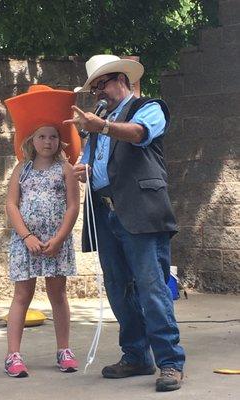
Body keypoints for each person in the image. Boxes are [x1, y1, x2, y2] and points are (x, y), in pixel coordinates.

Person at [64, 55, 186, 392]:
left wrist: (100, 126)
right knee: (119, 288)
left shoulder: (149, 107)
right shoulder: (99, 119)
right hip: (105, 212)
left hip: (141, 210)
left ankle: (170, 362)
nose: (98, 94)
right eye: (94, 89)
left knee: (152, 288)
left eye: (101, 85)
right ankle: (135, 355)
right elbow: (93, 163)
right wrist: (82, 167)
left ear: (121, 79)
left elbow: (139, 134)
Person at [4, 85, 81, 377]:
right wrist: (26, 236)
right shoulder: (21, 169)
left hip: (55, 242)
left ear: (60, 141)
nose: (47, 141)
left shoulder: (66, 169)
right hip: (26, 242)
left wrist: (59, 238)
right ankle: (13, 354)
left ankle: (64, 349)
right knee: (22, 294)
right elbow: (12, 205)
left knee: (57, 293)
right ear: (31, 140)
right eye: (41, 136)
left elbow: (73, 206)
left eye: (52, 136)